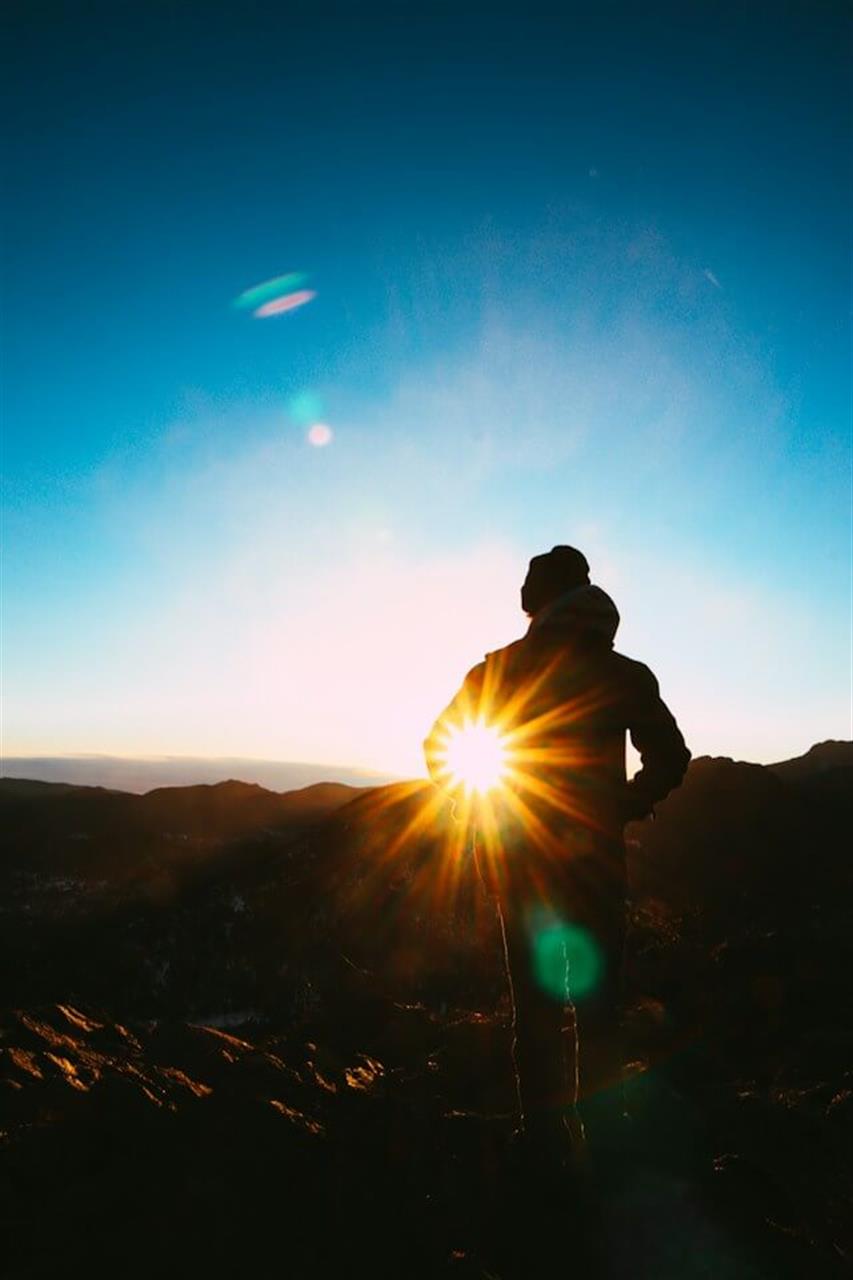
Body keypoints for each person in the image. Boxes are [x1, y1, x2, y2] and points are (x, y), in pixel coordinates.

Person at [423, 545, 690, 1162]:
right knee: (598, 1007)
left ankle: (544, 1146)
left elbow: (440, 748)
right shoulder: (623, 674)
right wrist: (622, 805)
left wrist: (480, 803)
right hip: (596, 864)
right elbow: (671, 758)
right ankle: (606, 1140)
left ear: (536, 600)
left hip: (520, 864)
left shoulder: (498, 670)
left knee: (535, 1011)